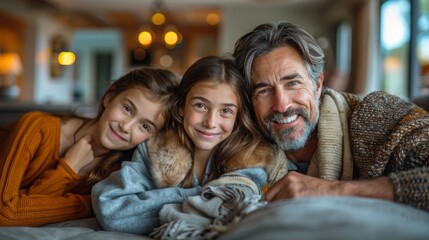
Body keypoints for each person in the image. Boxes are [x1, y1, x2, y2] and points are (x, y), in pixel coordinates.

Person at [232, 21, 429, 210]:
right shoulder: (241, 142)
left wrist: (332, 189)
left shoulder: (377, 114)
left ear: (317, 85)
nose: (282, 105)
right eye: (264, 91)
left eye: (293, 83)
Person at [91, 56, 273, 235]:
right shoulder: (155, 148)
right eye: (200, 105)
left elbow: (231, 211)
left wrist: (153, 204)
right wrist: (201, 195)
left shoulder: (250, 158)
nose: (210, 122)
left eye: (225, 111)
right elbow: (111, 210)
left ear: (237, 116)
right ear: (181, 107)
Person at [0, 67, 179, 226]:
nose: (126, 127)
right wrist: (70, 171)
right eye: (127, 109)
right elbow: (4, 212)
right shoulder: (37, 127)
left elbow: (26, 208)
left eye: (145, 126)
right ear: (109, 97)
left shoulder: (116, 173)